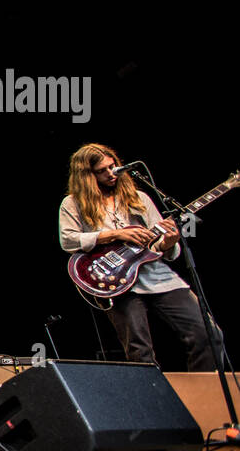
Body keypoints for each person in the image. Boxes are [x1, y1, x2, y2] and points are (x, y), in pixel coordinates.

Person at [59, 143, 217, 369]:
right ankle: (153, 401)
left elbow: (162, 245)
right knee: (140, 352)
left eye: (113, 166)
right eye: (102, 170)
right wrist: (115, 234)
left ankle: (201, 396)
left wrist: (170, 242)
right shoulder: (73, 203)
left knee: (209, 335)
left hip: (157, 276)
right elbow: (68, 240)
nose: (111, 173)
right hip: (117, 282)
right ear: (86, 175)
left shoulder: (139, 197)